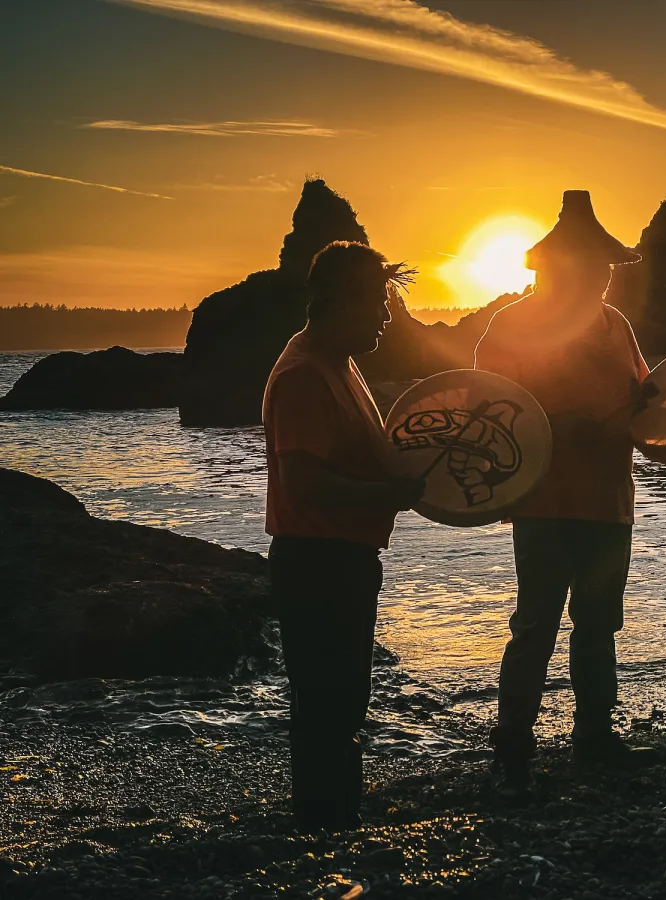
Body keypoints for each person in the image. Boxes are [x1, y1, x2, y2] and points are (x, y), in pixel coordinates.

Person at [474, 190, 658, 797]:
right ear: (556, 265)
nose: (604, 278)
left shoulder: (614, 325)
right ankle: (513, 748)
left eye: (607, 267)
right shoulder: (514, 325)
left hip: (609, 500)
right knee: (536, 626)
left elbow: (640, 397)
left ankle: (595, 737)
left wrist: (653, 405)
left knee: (599, 625)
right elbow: (487, 412)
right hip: (543, 504)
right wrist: (561, 422)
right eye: (593, 266)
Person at [262, 240, 425, 831]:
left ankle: (335, 819)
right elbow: (306, 484)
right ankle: (322, 825)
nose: (387, 315)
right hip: (316, 560)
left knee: (342, 697)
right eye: (378, 302)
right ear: (340, 301)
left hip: (343, 556)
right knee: (326, 702)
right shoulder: (306, 374)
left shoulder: (338, 364)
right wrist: (391, 496)